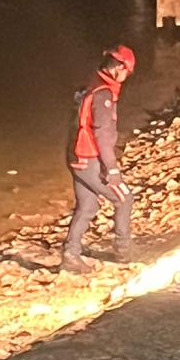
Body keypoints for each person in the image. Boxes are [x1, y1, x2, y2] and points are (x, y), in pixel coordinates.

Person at [61, 44, 135, 274]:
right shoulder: (103, 94)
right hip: (88, 156)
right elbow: (102, 133)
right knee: (124, 198)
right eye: (126, 72)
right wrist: (111, 169)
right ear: (118, 68)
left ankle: (70, 254)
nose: (126, 77)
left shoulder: (91, 84)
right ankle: (123, 251)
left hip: (75, 154)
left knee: (87, 206)